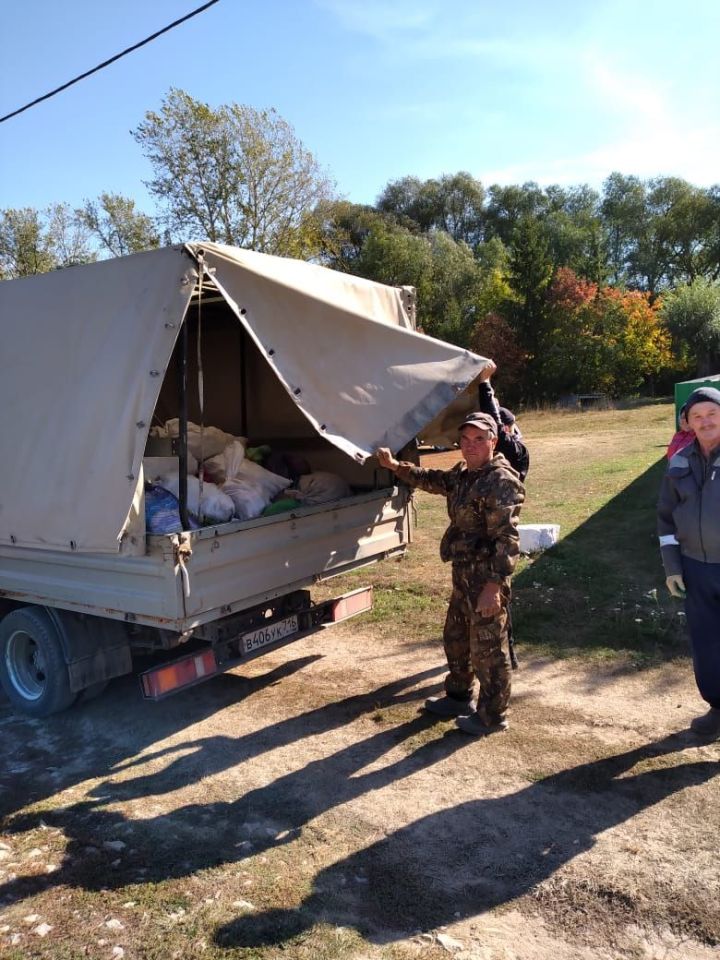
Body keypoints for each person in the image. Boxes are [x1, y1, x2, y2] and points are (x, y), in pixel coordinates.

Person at [376, 411, 525, 736]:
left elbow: (508, 539)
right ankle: (459, 697)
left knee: (488, 648)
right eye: (466, 439)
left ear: (493, 441)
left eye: (479, 439)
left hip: (486, 577)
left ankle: (492, 716)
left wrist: (494, 586)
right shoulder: (464, 474)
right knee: (456, 639)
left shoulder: (500, 480)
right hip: (463, 574)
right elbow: (434, 480)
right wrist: (395, 467)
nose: (471, 446)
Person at [657, 386, 720, 736]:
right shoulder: (679, 461)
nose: (705, 421)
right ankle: (717, 709)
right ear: (688, 422)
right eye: (697, 416)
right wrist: (673, 567)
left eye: (712, 413)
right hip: (695, 568)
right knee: (707, 643)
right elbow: (665, 518)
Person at [476, 362, 529, 481]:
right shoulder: (510, 446)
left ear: (505, 428)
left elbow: (494, 423)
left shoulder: (516, 451)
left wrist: (484, 381)